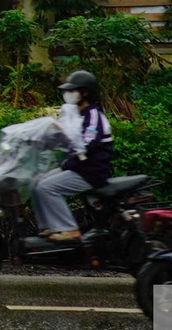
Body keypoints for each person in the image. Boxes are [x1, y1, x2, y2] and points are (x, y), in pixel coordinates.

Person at [32, 69, 114, 242]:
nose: (67, 94)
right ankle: (49, 227)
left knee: (47, 187)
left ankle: (69, 229)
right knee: (36, 182)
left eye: (72, 90)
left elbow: (87, 143)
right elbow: (63, 136)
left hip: (90, 172)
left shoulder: (93, 114)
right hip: (76, 166)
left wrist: (67, 141)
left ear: (84, 93)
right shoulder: (74, 113)